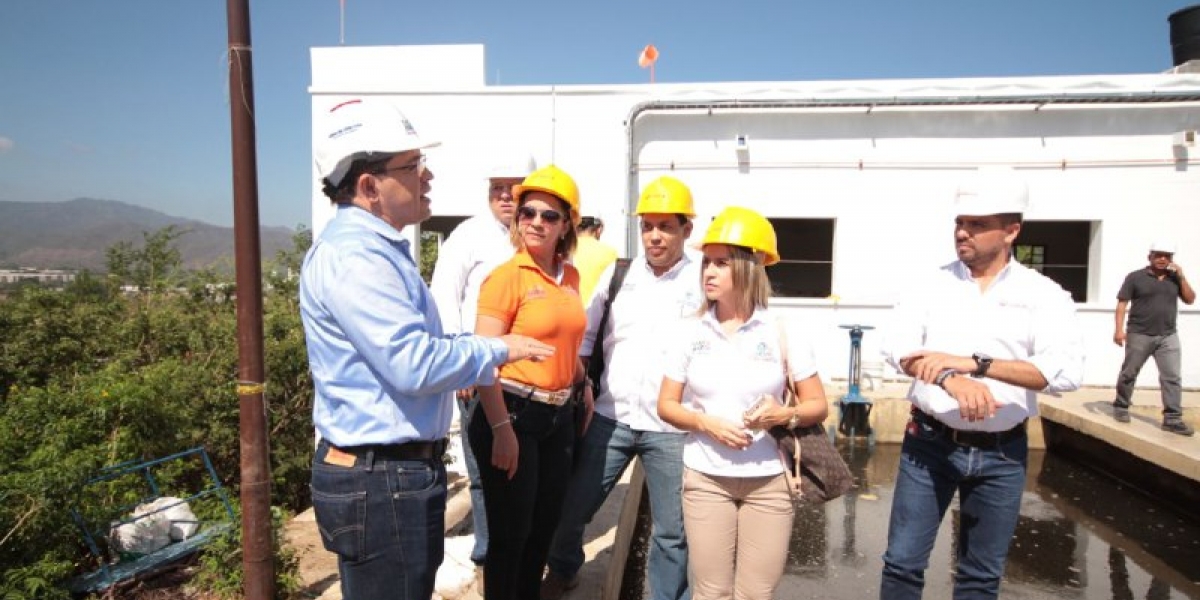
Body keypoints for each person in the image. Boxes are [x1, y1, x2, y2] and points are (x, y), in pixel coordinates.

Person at [301, 98, 554, 600]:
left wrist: (474, 347)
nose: (427, 176)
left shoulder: (376, 250)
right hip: (381, 479)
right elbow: (413, 364)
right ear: (370, 187)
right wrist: (497, 349)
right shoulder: (357, 258)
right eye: (413, 166)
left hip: (388, 476)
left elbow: (424, 347)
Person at [878, 168, 1084, 600]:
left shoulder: (1044, 295)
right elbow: (896, 347)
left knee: (980, 577)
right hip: (928, 445)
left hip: (1002, 453)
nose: (963, 232)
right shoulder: (929, 284)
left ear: (1012, 231)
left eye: (977, 224)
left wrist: (978, 365)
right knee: (902, 565)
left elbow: (1064, 372)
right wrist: (950, 378)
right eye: (960, 222)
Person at [542, 176, 703, 600]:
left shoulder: (705, 278)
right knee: (572, 508)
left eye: (666, 226)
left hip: (673, 428)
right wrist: (577, 387)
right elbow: (587, 335)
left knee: (673, 531)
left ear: (686, 230)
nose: (654, 235)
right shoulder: (619, 274)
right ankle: (562, 569)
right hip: (611, 418)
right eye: (648, 225)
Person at [657, 206, 829, 600]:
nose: (708, 273)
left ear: (750, 268)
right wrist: (707, 424)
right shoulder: (689, 332)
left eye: (721, 263)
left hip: (770, 480)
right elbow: (667, 405)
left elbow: (818, 404)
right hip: (706, 479)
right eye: (706, 263)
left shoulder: (782, 330)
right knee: (711, 592)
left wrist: (784, 413)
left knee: (756, 594)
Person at [468, 164, 595, 600]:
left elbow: (564, 340)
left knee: (544, 527)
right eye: (528, 213)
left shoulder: (571, 277)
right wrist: (502, 429)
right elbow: (483, 361)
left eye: (549, 215)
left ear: (567, 226)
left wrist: (583, 381)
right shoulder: (506, 277)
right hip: (512, 412)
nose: (536, 222)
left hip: (559, 415)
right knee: (511, 536)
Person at [429, 152, 537, 571]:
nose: (506, 196)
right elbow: (445, 300)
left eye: (514, 188)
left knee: (523, 469)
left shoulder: (535, 233)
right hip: (480, 372)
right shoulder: (468, 237)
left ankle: (517, 550)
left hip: (527, 377)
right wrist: (463, 364)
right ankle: (489, 555)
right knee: (483, 470)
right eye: (498, 189)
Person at [1111, 240, 1195, 436]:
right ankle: (1121, 406)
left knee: (1172, 377)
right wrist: (1118, 330)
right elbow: (1122, 304)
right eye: (1158, 255)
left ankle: (1172, 419)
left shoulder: (1175, 279)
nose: (1162, 259)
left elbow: (1190, 299)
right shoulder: (1135, 277)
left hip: (1168, 335)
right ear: (1150, 257)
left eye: (1167, 256)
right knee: (1129, 372)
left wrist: (1181, 277)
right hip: (1139, 334)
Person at [573, 215, 619, 304]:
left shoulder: (565, 251)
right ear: (599, 230)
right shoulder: (610, 252)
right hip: (598, 312)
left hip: (571, 311)